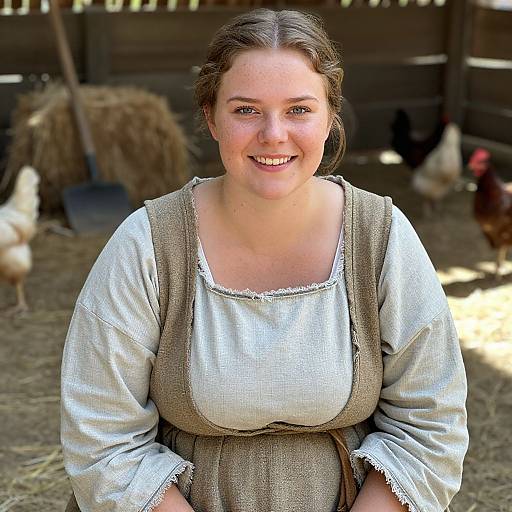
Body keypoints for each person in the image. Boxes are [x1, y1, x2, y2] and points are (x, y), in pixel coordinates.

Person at [60, 8, 468, 512]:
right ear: (211, 117)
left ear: (330, 117)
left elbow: (431, 424)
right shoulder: (148, 246)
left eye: (299, 109)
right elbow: (102, 438)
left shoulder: (380, 238)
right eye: (246, 110)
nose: (274, 134)